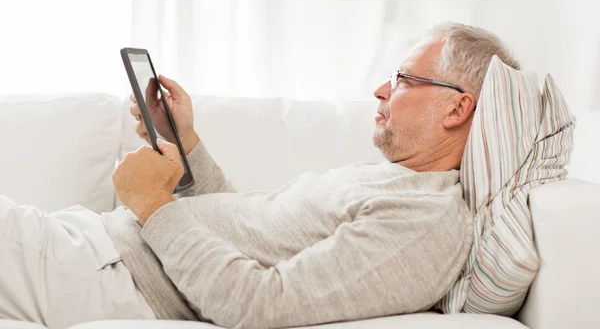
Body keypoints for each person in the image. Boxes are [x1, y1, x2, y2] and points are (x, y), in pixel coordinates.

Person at [0, 22, 521, 329]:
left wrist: (155, 207)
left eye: (403, 79)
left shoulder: (425, 223)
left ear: (457, 109)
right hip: (93, 249)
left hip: (109, 276)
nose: (381, 92)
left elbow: (259, 304)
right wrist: (187, 143)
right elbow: (245, 230)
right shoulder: (397, 184)